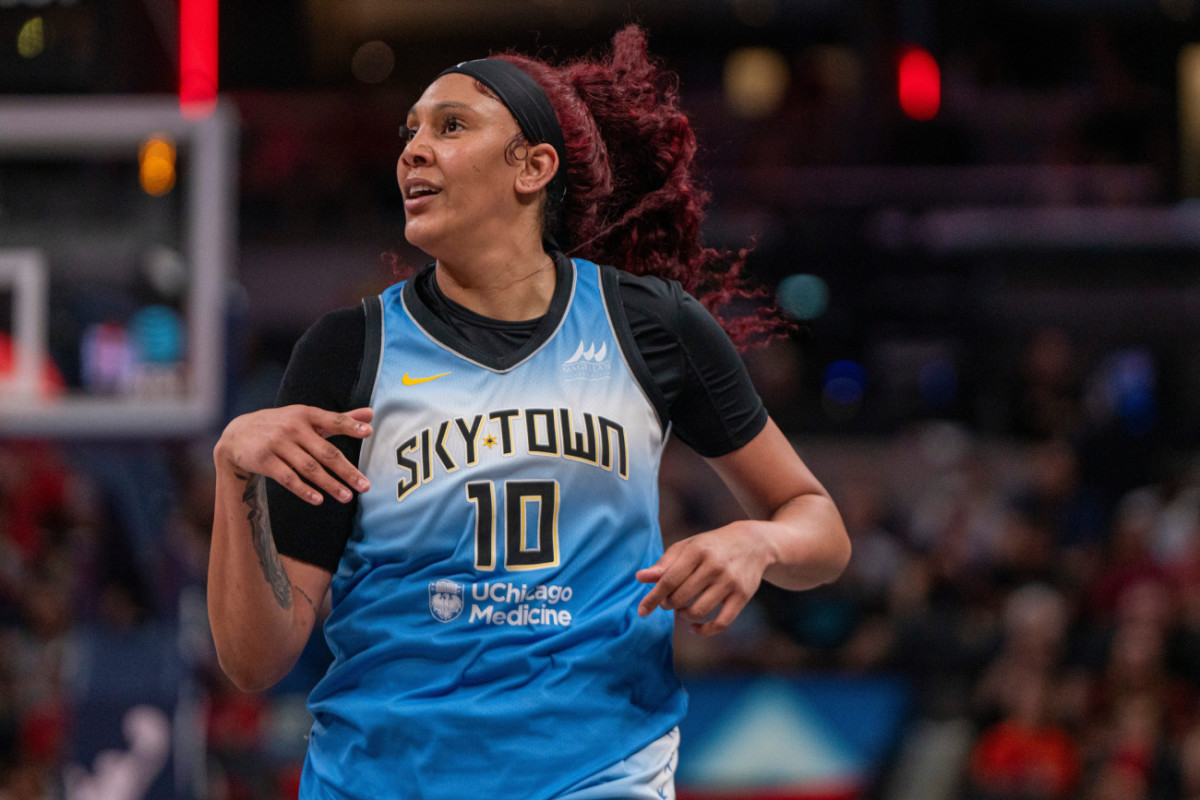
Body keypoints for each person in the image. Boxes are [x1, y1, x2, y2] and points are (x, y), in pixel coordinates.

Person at [208, 26, 850, 800]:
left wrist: (759, 541)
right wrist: (233, 476)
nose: (413, 149)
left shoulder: (646, 325)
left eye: (451, 126)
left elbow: (818, 525)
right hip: (381, 779)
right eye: (409, 130)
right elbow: (255, 662)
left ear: (533, 167)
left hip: (599, 775)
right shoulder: (349, 350)